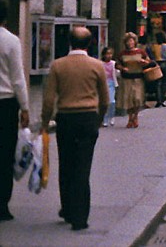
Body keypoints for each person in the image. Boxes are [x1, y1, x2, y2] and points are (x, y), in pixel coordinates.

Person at [40, 26, 107, 231]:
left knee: (66, 164)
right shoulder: (97, 66)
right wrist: (99, 119)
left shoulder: (58, 66)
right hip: (88, 118)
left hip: (66, 118)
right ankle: (80, 217)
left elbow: (49, 99)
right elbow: (105, 99)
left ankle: (67, 208)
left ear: (69, 42)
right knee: (83, 167)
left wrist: (45, 121)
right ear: (89, 43)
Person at [0, 2, 29, 222]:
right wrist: (25, 107)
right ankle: (2, 205)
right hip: (6, 104)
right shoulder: (11, 40)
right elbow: (18, 79)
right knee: (5, 153)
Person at [116, 33, 151, 128]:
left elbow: (149, 61)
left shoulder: (141, 52)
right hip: (126, 78)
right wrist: (123, 68)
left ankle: (135, 116)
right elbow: (117, 64)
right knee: (128, 99)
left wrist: (144, 62)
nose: (130, 43)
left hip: (138, 78)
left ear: (135, 41)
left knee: (137, 98)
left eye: (131, 40)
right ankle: (130, 118)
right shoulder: (122, 53)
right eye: (128, 41)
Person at [150, 32, 166, 108]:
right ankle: (162, 100)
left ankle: (158, 100)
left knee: (158, 83)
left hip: (157, 64)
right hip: (165, 64)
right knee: (164, 82)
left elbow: (152, 57)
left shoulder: (154, 46)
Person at [99, 48, 117, 127]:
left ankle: (112, 116)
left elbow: (116, 73)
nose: (109, 55)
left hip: (111, 82)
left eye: (110, 54)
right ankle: (105, 119)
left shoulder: (113, 63)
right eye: (107, 54)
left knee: (112, 101)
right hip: (103, 83)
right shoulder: (100, 64)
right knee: (104, 102)